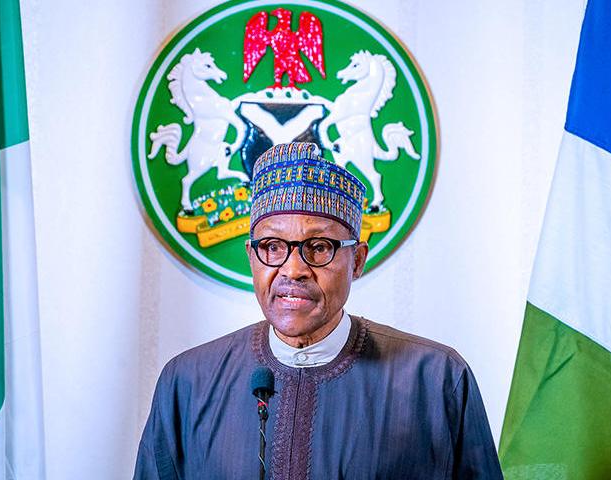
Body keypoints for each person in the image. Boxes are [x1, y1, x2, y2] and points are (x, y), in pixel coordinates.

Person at [134, 142, 503, 479]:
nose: (293, 269)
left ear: (356, 260)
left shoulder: (435, 380)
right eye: (273, 246)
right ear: (252, 257)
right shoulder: (187, 382)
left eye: (320, 246)